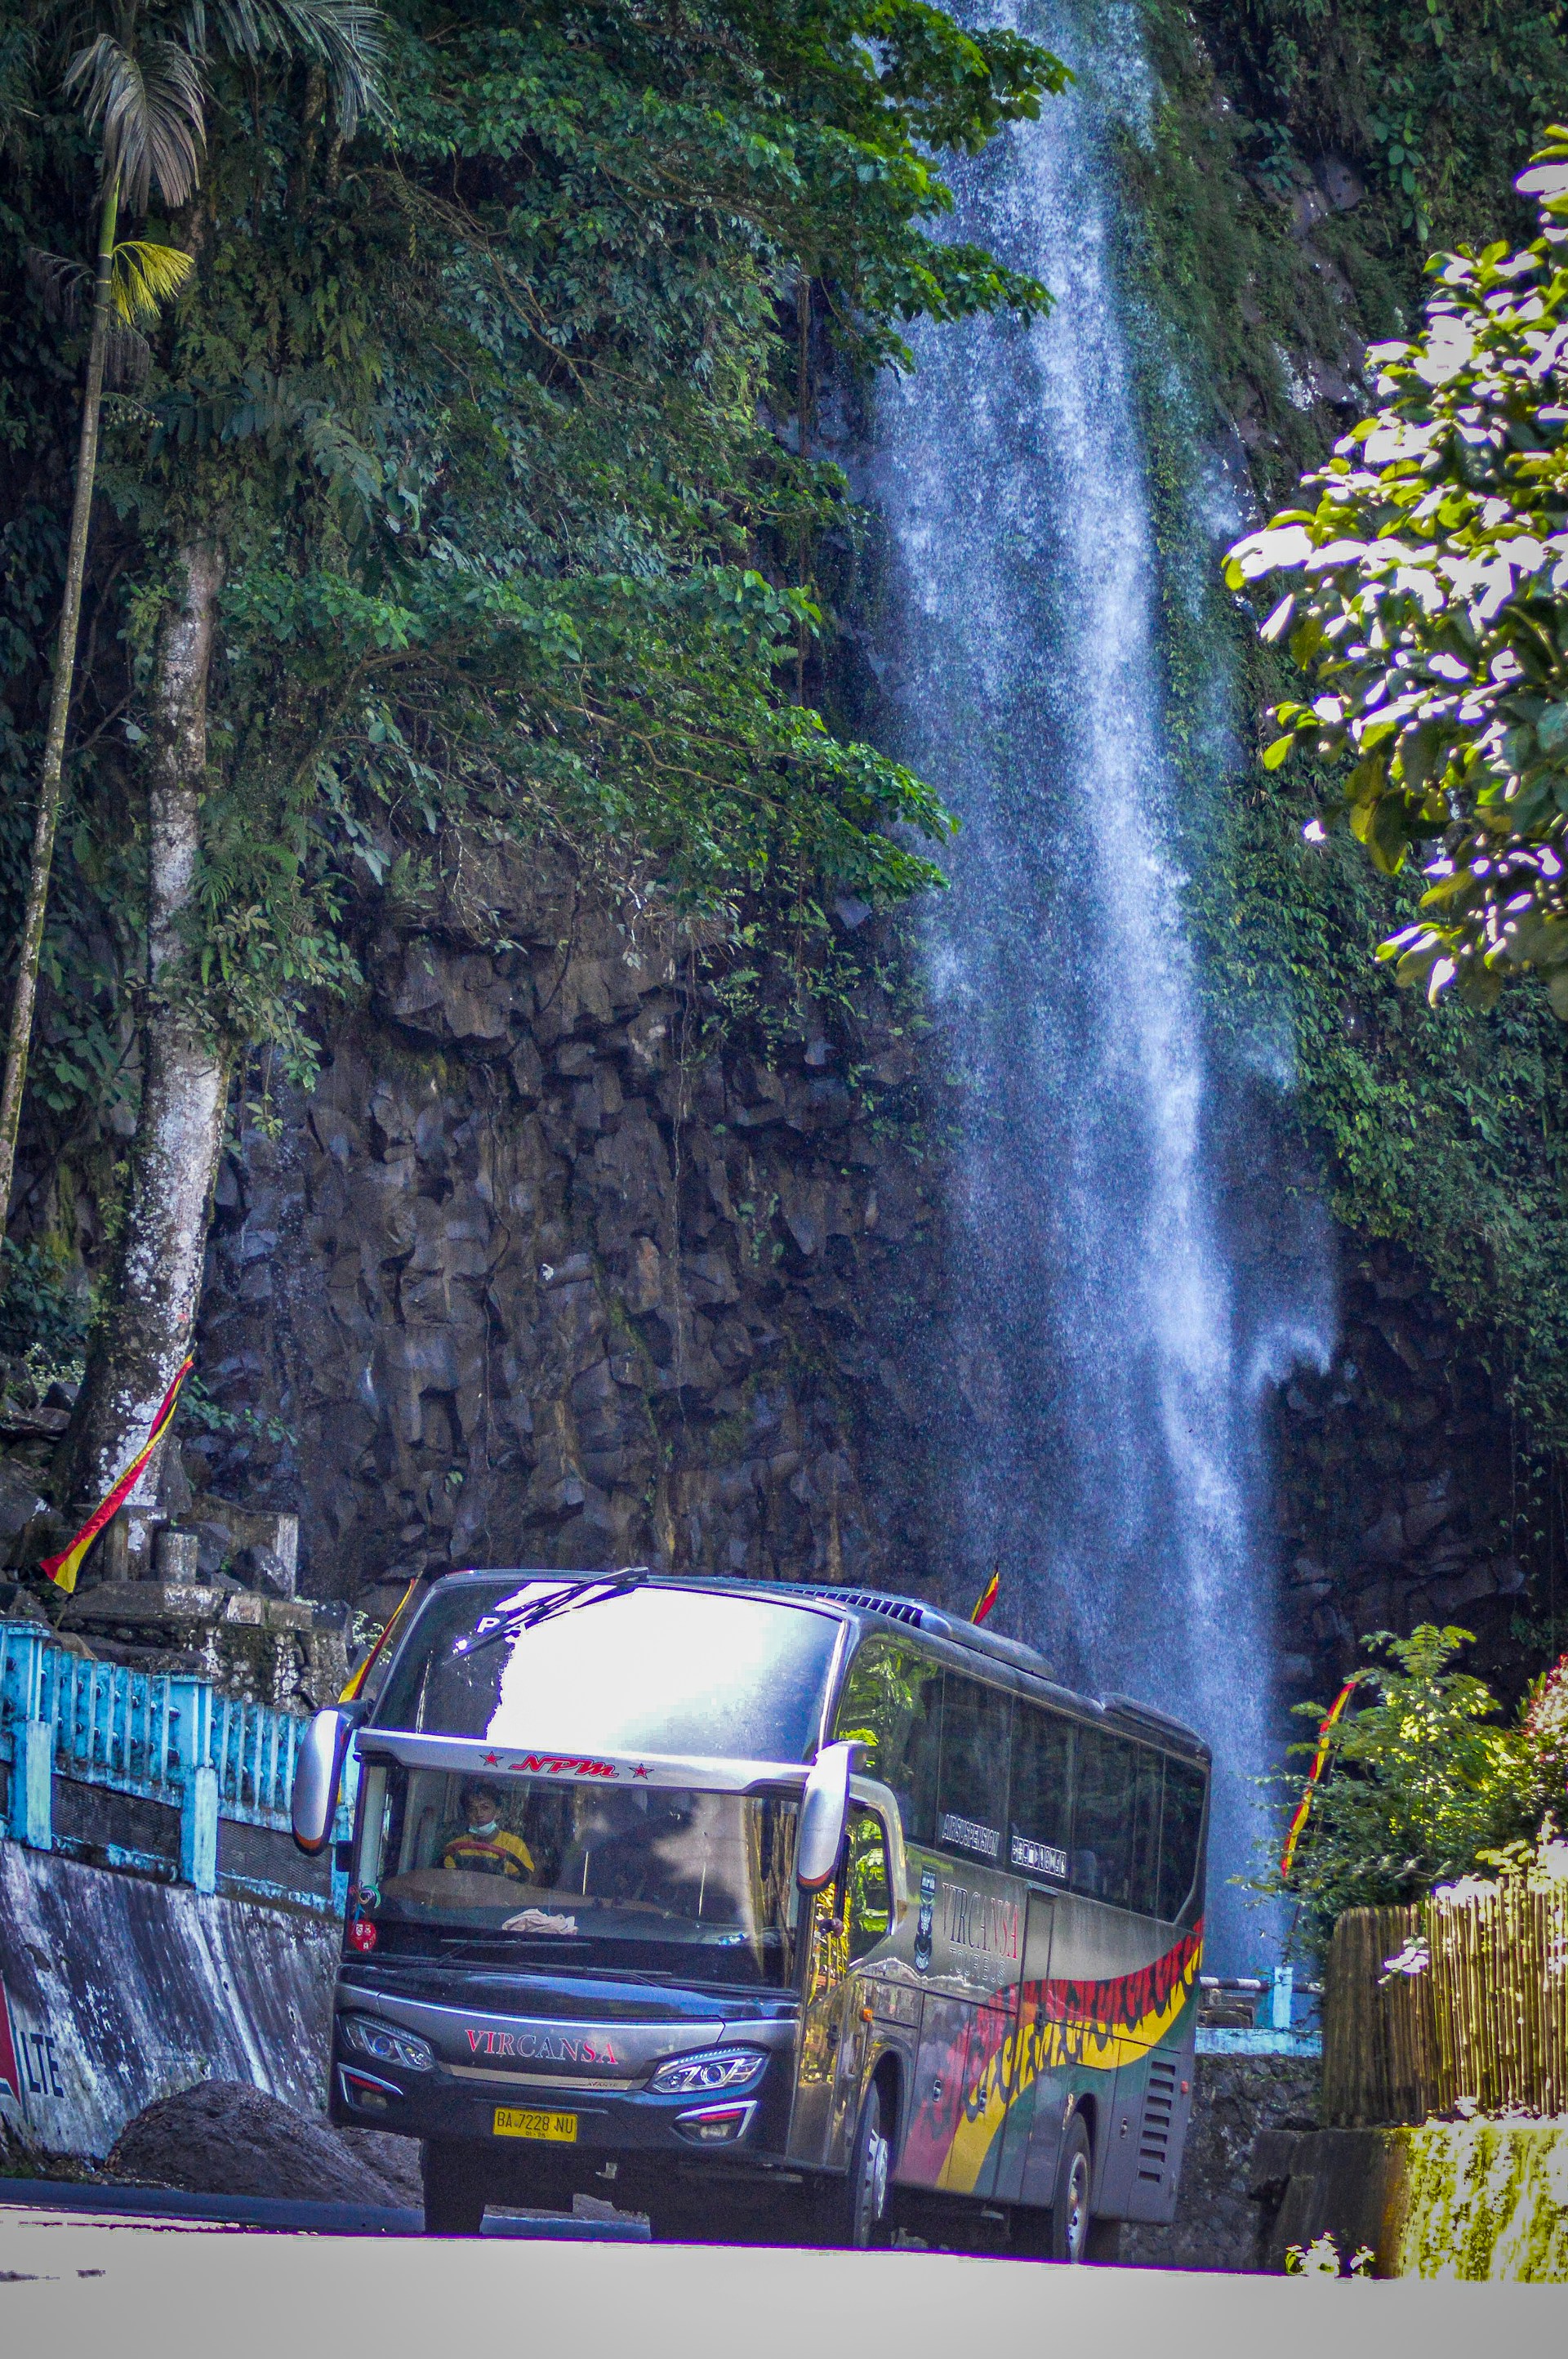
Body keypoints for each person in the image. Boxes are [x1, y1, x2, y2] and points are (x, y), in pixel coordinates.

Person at [440, 1782, 536, 1881]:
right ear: (466, 1814)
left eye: (485, 1808)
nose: (479, 1814)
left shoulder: (516, 1845)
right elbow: (449, 1882)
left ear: (498, 1812)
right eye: (472, 1809)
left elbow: (524, 1882)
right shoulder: (454, 1848)